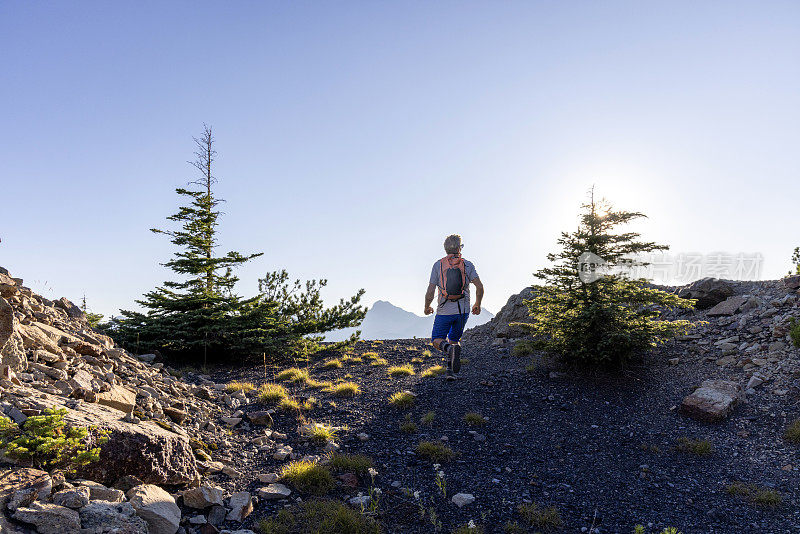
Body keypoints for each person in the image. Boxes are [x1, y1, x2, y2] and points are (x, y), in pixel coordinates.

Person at [424, 234, 484, 380]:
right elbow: (480, 287)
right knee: (454, 339)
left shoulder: (438, 265)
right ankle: (450, 372)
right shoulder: (468, 265)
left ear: (445, 249)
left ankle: (449, 350)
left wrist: (427, 306)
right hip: (463, 311)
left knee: (437, 339)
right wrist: (477, 304)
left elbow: (430, 291)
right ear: (459, 248)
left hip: (444, 311)